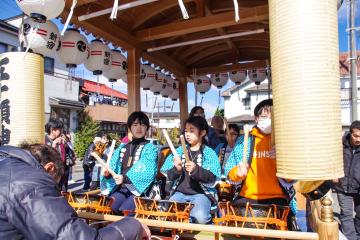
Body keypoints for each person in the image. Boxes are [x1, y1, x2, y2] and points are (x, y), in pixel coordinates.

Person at [0, 143, 149, 240]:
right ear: (50, 169)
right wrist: (134, 226)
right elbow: (70, 236)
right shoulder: (31, 183)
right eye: (55, 186)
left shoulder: (7, 165)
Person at [224, 99, 297, 228]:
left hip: (277, 197)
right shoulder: (245, 140)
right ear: (256, 118)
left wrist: (281, 159)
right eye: (264, 116)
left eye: (272, 117)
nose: (268, 120)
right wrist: (237, 173)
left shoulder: (284, 139)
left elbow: (292, 178)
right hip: (247, 195)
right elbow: (229, 173)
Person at [161, 116, 221, 224]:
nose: (187, 134)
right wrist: (177, 169)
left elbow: (212, 178)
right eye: (186, 131)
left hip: (201, 194)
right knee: (169, 214)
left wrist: (196, 170)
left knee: (200, 217)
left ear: (202, 133)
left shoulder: (209, 153)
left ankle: (203, 220)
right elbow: (169, 175)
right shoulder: (179, 151)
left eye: (191, 131)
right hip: (179, 193)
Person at [101, 111, 158, 215]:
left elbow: (148, 172)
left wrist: (125, 178)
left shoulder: (150, 149)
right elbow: (113, 168)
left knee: (125, 211)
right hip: (122, 189)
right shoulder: (122, 148)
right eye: (135, 125)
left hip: (142, 191)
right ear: (129, 127)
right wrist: (108, 174)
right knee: (108, 207)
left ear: (147, 128)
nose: (139, 128)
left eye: (143, 125)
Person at [333, 120, 360, 240]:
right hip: (342, 186)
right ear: (350, 133)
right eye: (356, 136)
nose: (358, 139)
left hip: (358, 186)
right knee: (346, 215)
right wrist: (333, 173)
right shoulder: (339, 144)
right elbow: (331, 159)